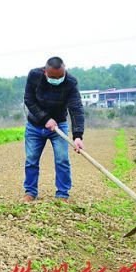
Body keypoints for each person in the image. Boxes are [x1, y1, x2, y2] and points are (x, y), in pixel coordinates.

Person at [23, 56, 85, 203]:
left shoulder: (70, 82)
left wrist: (78, 135)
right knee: (31, 160)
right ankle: (30, 192)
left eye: (60, 76)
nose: (57, 79)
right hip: (35, 126)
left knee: (62, 159)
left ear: (64, 72)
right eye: (52, 77)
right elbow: (29, 100)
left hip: (59, 126)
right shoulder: (34, 75)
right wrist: (45, 119)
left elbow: (76, 109)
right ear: (45, 72)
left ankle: (62, 194)